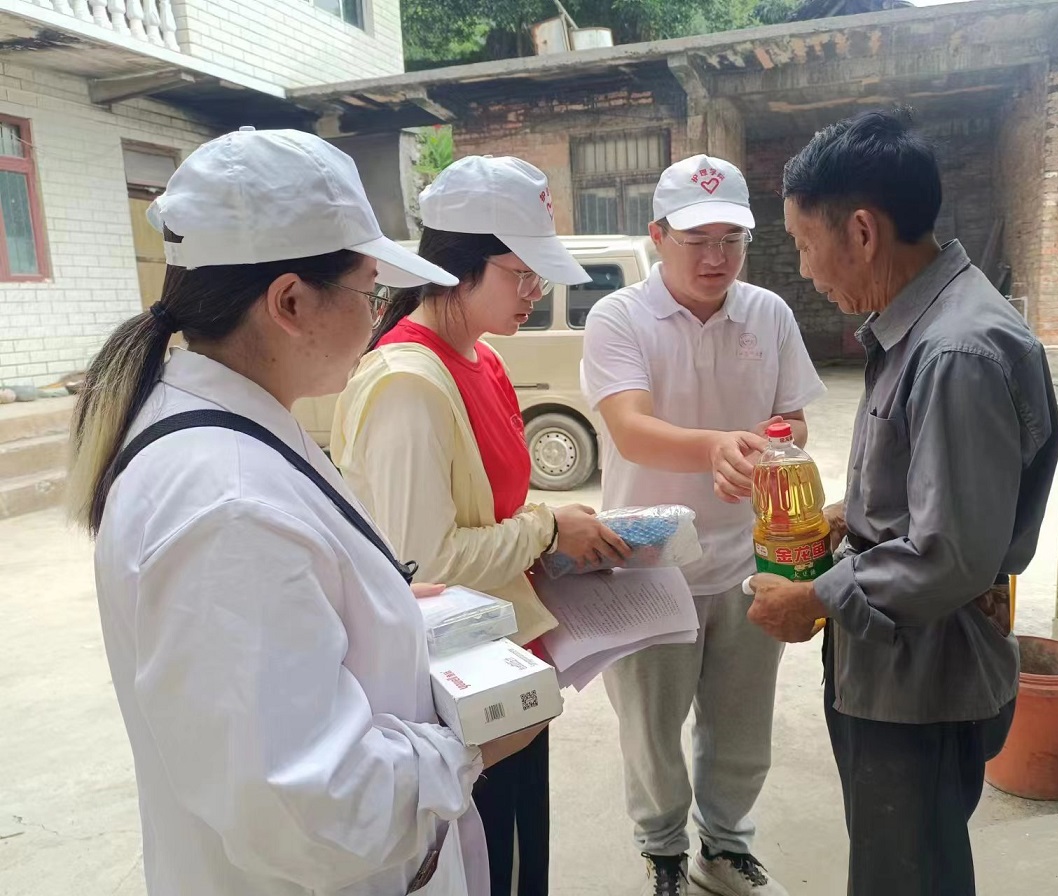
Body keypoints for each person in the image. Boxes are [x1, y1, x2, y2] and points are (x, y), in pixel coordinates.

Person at [66, 127, 542, 896]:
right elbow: (311, 810)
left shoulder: (236, 430)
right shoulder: (226, 508)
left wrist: (376, 605)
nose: (380, 317)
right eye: (371, 292)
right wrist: (474, 744)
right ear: (290, 302)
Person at [747, 109, 1058, 895]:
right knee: (910, 869)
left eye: (803, 243)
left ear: (860, 231)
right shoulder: (925, 326)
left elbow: (947, 555)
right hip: (898, 671)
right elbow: (936, 497)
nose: (804, 269)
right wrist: (844, 518)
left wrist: (811, 598)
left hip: (920, 685)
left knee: (904, 877)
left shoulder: (954, 350)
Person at [332, 154, 630, 896]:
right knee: (489, 864)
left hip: (508, 662)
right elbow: (421, 564)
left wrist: (558, 538)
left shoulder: (484, 359)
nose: (535, 292)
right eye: (520, 274)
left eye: (540, 276)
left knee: (525, 855)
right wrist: (546, 529)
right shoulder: (407, 383)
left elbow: (495, 511)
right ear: (455, 264)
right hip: (455, 686)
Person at [582, 154, 826, 896]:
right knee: (651, 729)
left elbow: (793, 420)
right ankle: (662, 851)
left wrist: (766, 448)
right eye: (697, 240)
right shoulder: (619, 316)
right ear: (658, 235)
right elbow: (630, 429)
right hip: (647, 563)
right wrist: (718, 445)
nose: (716, 258)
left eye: (732, 240)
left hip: (751, 559)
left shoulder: (768, 313)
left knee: (741, 722)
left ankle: (724, 847)